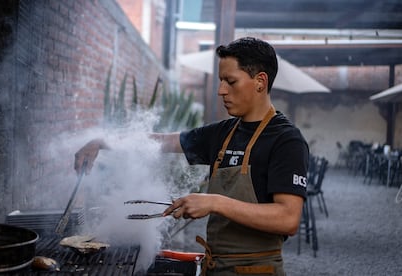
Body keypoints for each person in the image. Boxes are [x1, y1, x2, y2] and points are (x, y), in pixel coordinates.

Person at [74, 37, 309, 276]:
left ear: (260, 82)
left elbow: (288, 219)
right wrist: (104, 141)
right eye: (220, 81)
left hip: (257, 270)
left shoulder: (286, 140)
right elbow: (163, 141)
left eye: (231, 81)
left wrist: (214, 202)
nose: (221, 91)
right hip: (215, 268)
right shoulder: (223, 132)